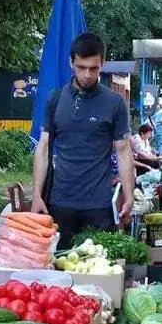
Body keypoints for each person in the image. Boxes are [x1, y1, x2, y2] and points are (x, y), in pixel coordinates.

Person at [31, 32, 134, 248]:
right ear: (71, 62)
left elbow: (123, 151)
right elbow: (43, 148)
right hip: (59, 203)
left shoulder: (114, 103)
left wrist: (128, 194)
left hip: (99, 205)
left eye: (94, 68)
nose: (87, 74)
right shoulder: (55, 99)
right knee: (59, 271)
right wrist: (37, 195)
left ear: (102, 64)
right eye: (81, 67)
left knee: (99, 272)